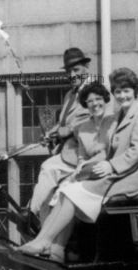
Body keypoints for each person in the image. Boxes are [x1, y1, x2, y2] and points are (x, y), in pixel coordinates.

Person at [17, 69, 138, 261]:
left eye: (126, 91)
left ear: (135, 91)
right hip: (117, 175)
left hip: (129, 178)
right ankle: (48, 243)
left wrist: (111, 166)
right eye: (118, 91)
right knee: (68, 191)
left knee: (74, 193)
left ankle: (47, 242)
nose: (122, 95)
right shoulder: (121, 115)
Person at [27, 47, 93, 219]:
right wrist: (51, 133)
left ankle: (29, 214)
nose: (72, 75)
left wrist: (69, 130)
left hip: (84, 154)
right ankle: (42, 231)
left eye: (76, 70)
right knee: (49, 197)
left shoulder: (95, 91)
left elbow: (95, 121)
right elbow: (63, 122)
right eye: (69, 71)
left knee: (48, 169)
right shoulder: (70, 95)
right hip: (66, 152)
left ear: (86, 68)